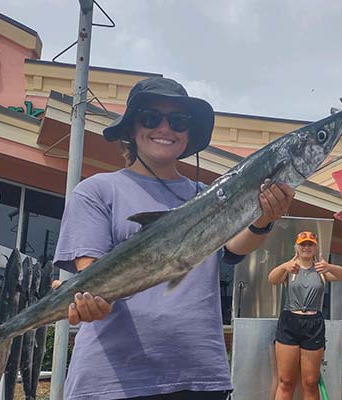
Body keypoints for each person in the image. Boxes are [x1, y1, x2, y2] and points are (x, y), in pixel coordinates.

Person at [53, 76, 295, 400]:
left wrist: (263, 219)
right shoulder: (97, 190)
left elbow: (232, 248)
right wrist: (87, 299)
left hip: (199, 374)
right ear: (131, 129)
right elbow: (91, 272)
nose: (165, 128)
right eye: (151, 117)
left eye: (178, 121)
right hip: (112, 380)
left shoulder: (208, 196)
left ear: (188, 133)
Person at [268, 230, 342, 400]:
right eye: (303, 244)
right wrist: (283, 266)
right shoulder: (290, 267)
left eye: (310, 244)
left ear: (315, 247)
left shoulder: (321, 269)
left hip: (313, 323)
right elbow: (272, 279)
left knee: (310, 382)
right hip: (290, 321)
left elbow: (341, 275)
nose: (306, 247)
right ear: (296, 247)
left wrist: (329, 266)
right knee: (286, 380)